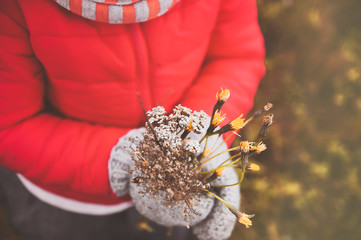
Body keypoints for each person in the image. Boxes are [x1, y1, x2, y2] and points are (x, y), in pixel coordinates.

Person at [0, 0, 265, 239]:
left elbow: (235, 57)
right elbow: (10, 125)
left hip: (172, 198)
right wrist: (130, 162)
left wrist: (201, 136)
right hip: (61, 203)